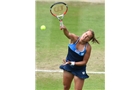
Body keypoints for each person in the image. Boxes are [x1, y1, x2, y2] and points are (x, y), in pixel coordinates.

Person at [59, 25, 99, 90]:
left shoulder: (88, 47)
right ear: (83, 33)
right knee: (66, 87)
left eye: (88, 36)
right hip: (68, 66)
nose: (85, 36)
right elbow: (68, 34)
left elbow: (84, 62)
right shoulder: (74, 38)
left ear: (89, 40)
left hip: (79, 69)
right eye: (86, 34)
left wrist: (72, 63)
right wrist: (65, 29)